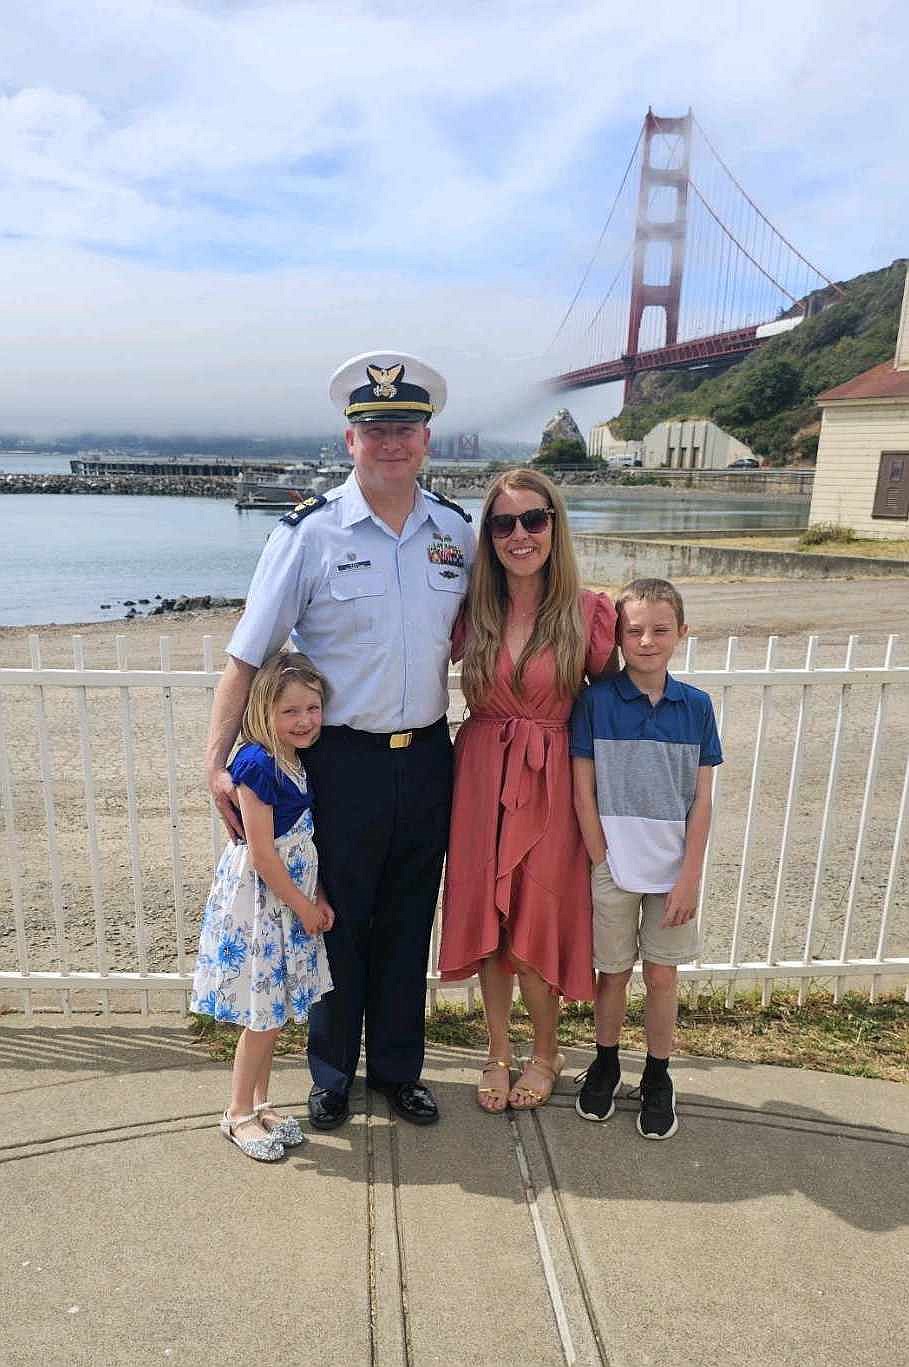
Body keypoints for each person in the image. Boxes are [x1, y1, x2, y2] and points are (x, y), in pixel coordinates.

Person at [205, 352, 475, 1131]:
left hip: (425, 754)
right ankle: (329, 1075)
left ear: (427, 437)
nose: (392, 441)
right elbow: (245, 657)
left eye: (406, 427)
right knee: (333, 915)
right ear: (349, 439)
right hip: (339, 760)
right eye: (375, 428)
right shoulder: (308, 534)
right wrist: (212, 766)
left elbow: (483, 631)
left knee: (405, 915)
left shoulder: (455, 531)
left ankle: (397, 1070)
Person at [439, 468, 616, 1112]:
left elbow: (612, 706)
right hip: (482, 774)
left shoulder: (590, 612)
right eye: (503, 523)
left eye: (534, 520)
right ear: (487, 536)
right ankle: (496, 1052)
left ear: (554, 526)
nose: (520, 534)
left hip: (551, 784)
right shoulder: (470, 609)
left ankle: (546, 1053)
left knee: (538, 916)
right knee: (489, 917)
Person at [570, 578, 723, 1139]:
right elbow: (582, 789)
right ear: (618, 636)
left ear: (681, 633)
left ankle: (658, 1073)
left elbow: (702, 799)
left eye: (661, 629)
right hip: (614, 866)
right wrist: (600, 857)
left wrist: (689, 877)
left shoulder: (697, 708)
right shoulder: (596, 702)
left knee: (662, 977)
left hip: (671, 873)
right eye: (634, 630)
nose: (647, 640)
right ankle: (606, 1059)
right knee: (612, 974)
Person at [191, 651, 334, 1161]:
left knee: (275, 1011)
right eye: (289, 711)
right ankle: (236, 1113)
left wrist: (315, 896)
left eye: (312, 709)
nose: (304, 721)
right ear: (262, 712)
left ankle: (260, 1100)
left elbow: (303, 841)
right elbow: (263, 853)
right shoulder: (256, 763)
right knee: (263, 1014)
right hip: (264, 902)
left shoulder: (294, 760)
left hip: (290, 897)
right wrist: (300, 905)